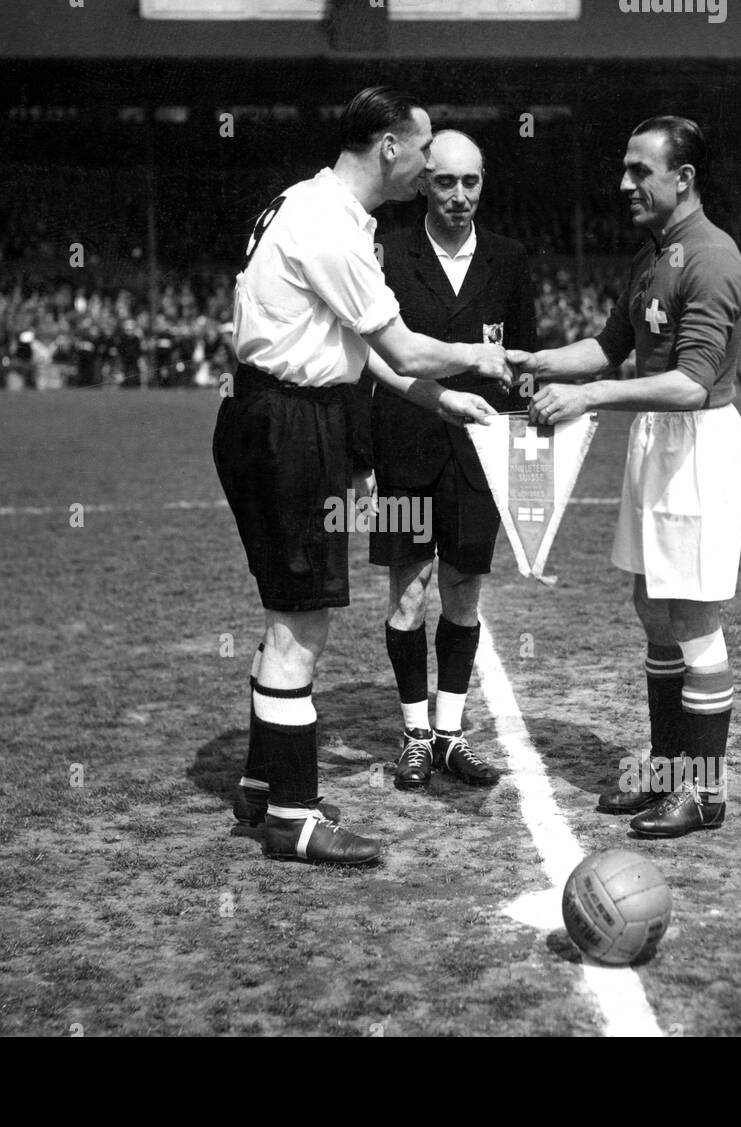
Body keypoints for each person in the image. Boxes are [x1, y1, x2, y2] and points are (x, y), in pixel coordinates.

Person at [212, 87, 512, 866]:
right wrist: (481, 359)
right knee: (300, 624)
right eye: (421, 152)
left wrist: (441, 402)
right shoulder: (331, 226)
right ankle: (295, 817)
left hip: (268, 416)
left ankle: (261, 784)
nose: (426, 167)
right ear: (388, 146)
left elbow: (374, 353)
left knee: (287, 613)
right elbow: (404, 346)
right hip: (291, 424)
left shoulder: (308, 205)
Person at [508, 116, 741, 838]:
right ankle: (666, 772)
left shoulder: (713, 257)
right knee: (652, 607)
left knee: (693, 616)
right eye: (623, 167)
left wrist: (587, 399)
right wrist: (531, 362)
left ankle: (704, 791)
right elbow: (609, 346)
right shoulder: (654, 255)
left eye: (640, 170)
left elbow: (691, 384)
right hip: (654, 439)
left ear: (684, 178)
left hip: (697, 446)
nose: (624, 183)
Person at [359, 130, 536, 792]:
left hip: (481, 454)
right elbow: (366, 358)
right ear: (422, 183)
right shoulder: (388, 254)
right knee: (408, 591)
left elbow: (523, 362)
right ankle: (413, 733)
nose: (460, 196)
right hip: (404, 444)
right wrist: (363, 455)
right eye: (444, 182)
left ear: (484, 182)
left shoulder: (510, 259)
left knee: (463, 591)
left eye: (472, 182)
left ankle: (452, 731)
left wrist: (530, 456)